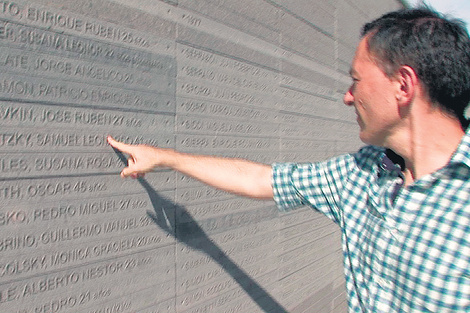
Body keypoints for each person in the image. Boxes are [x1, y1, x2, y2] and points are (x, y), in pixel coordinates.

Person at [108, 7, 470, 312]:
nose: (347, 96)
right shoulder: (361, 173)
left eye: (356, 80)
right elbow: (263, 180)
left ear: (403, 85)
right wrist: (166, 158)